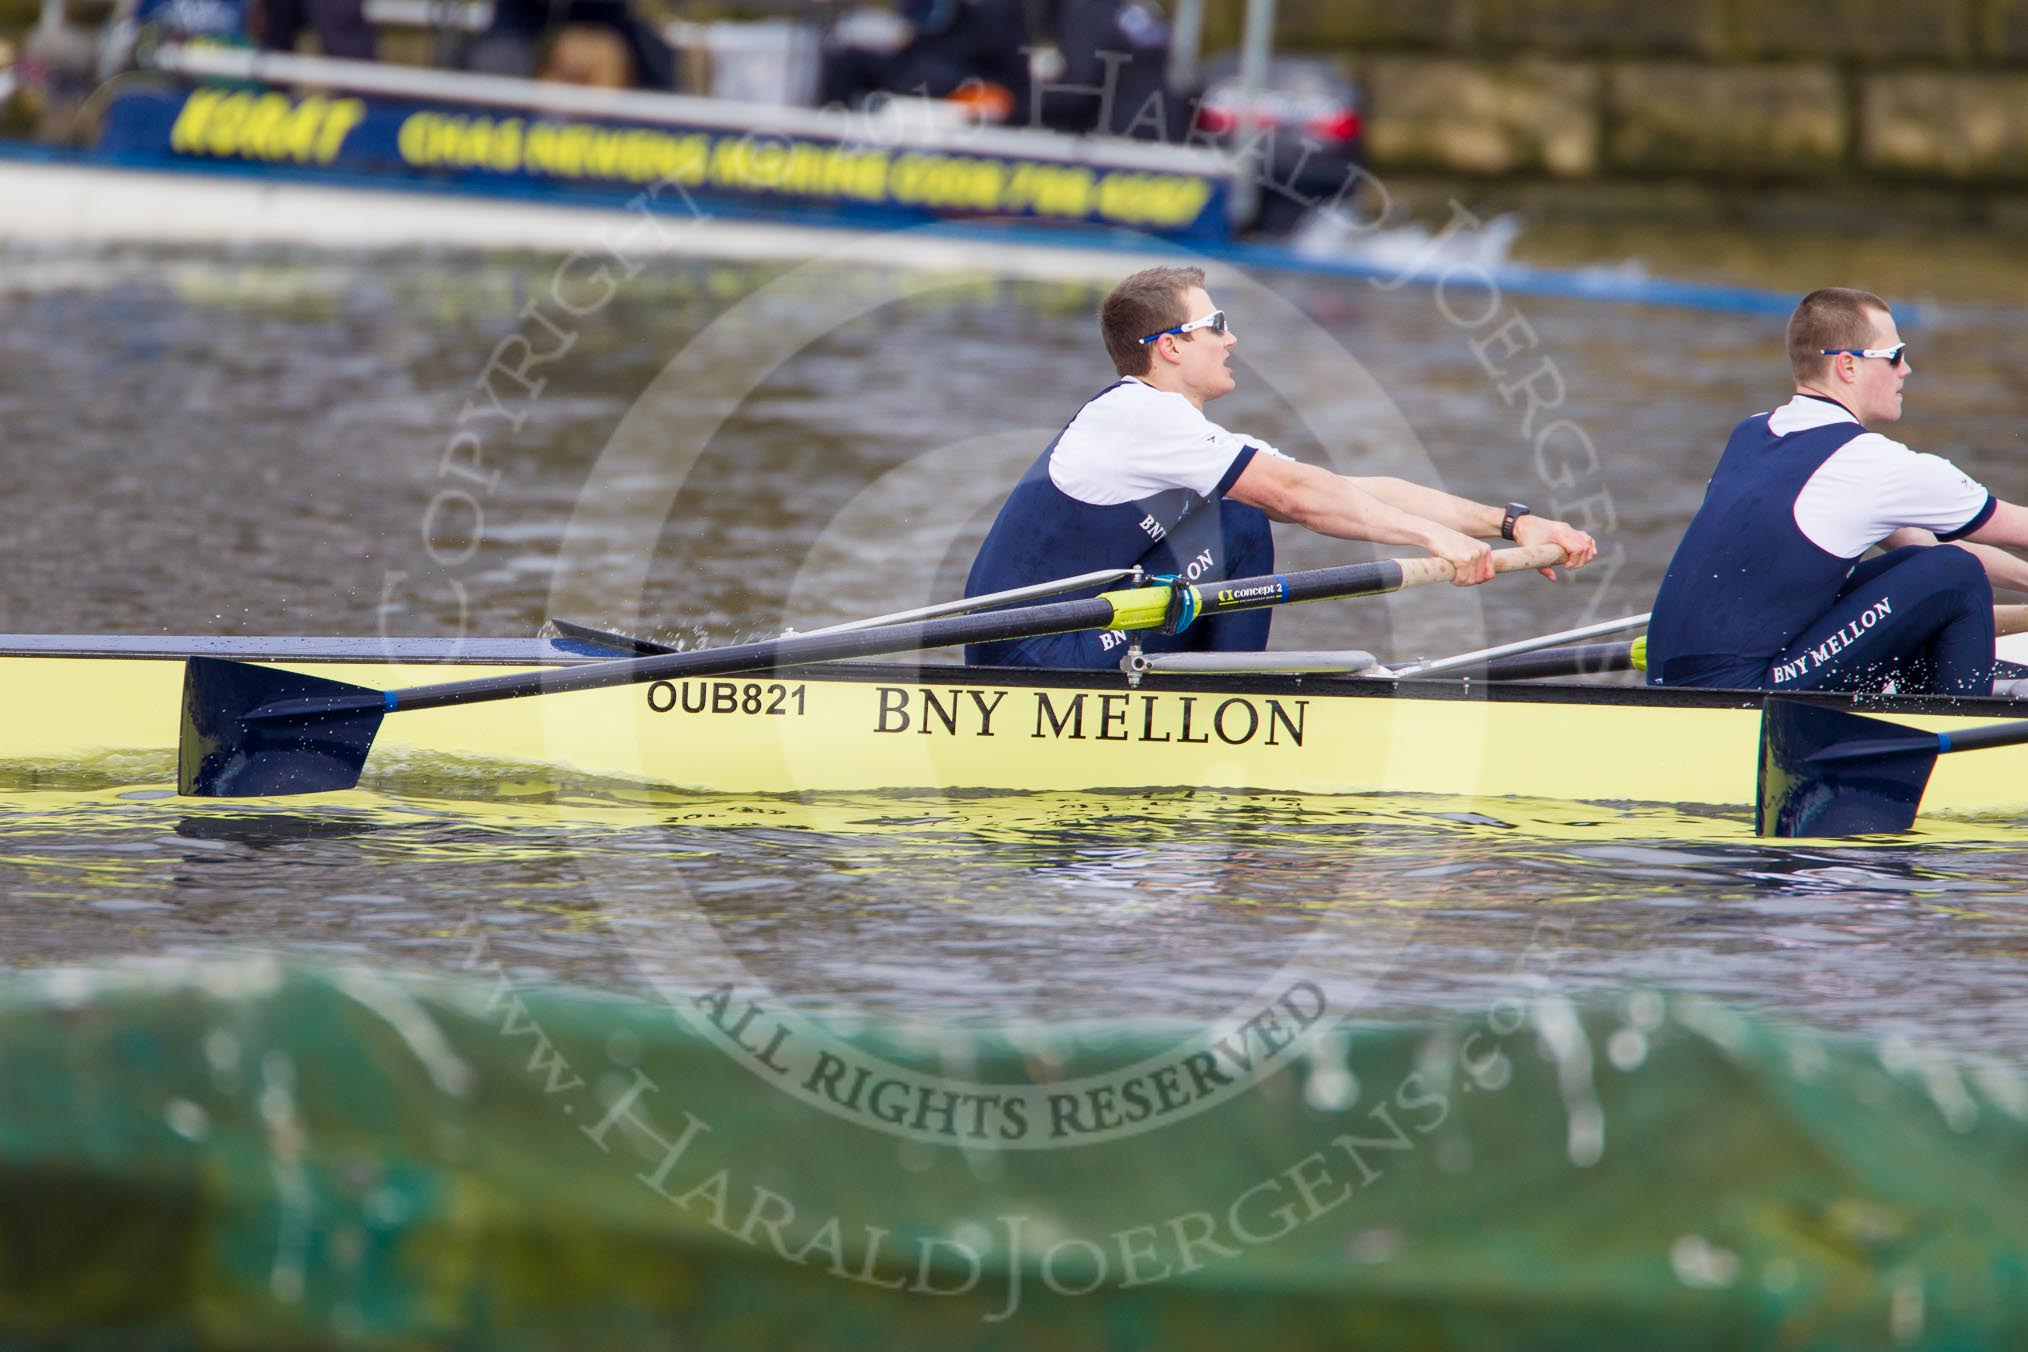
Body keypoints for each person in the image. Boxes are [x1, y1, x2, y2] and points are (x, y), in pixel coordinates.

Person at [963, 266, 1599, 669]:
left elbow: (1346, 490)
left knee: (1238, 514)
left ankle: (1228, 700)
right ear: (1173, 345)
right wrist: (1431, 538)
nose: (1231, 338)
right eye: (1216, 324)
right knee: (1240, 521)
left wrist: (1512, 522)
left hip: (1072, 639)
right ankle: (1235, 710)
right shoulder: (1140, 417)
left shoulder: (1179, 433)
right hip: (1032, 652)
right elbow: (1299, 498)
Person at [1647, 286, 2028, 696]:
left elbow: (1924, 551)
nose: (1906, 370)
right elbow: (2012, 530)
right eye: (1895, 355)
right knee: (1958, 573)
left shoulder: (1754, 431)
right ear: (1848, 366)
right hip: (1746, 692)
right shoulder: (1872, 463)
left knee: (1929, 567)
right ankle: (1960, 729)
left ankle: (1925, 695)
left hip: (1673, 676)